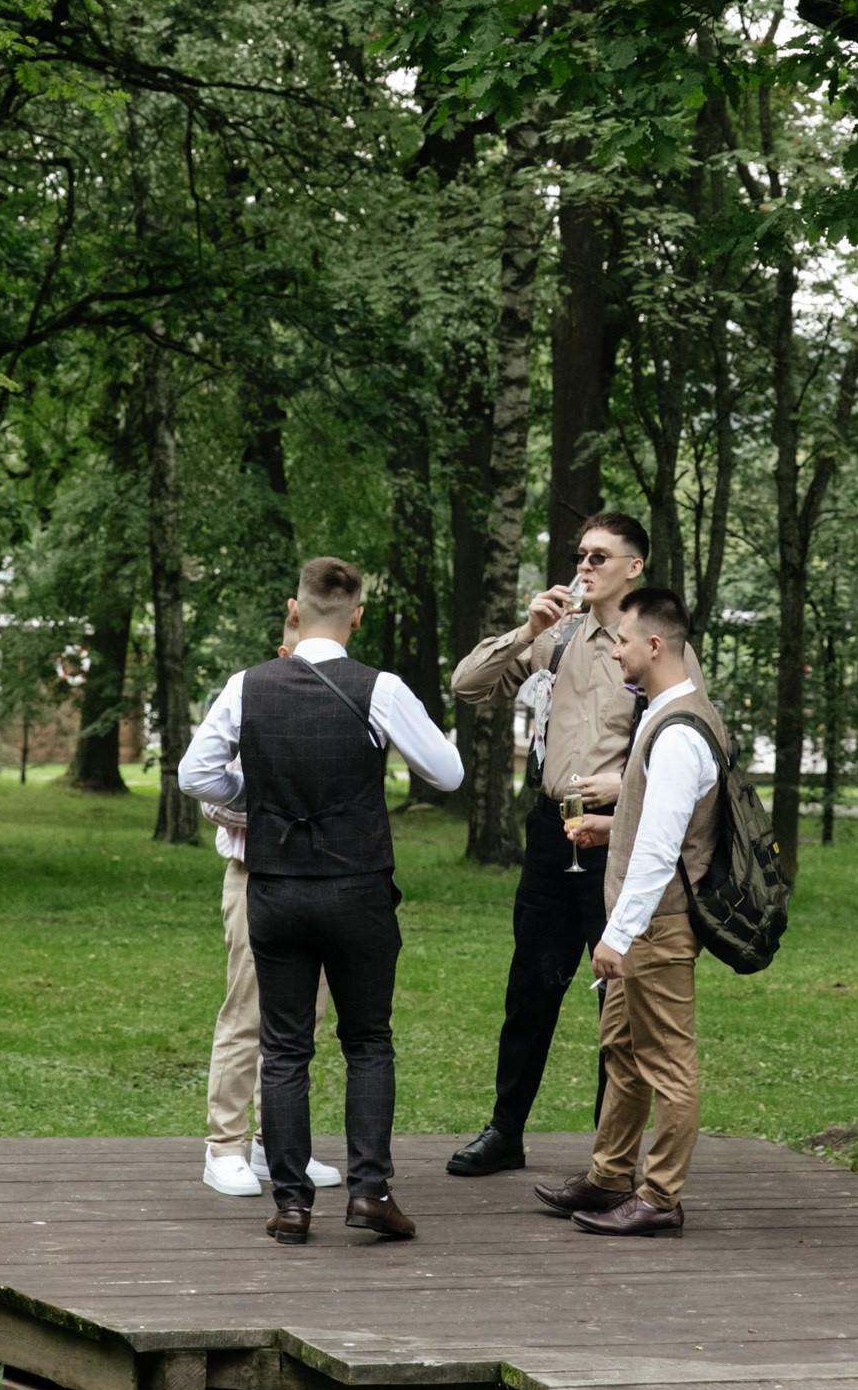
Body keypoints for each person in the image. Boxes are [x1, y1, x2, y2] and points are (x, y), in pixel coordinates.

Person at [178, 554, 463, 1243]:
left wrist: (256, 799)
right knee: (367, 1042)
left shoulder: (248, 685)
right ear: (356, 617)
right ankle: (370, 1193)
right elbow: (448, 774)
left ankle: (292, 1203)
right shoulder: (380, 688)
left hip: (274, 889)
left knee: (283, 1046)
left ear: (294, 610)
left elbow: (195, 774)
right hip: (357, 887)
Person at [444, 511, 650, 1177]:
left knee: (616, 997)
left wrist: (623, 785)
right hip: (549, 829)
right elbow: (467, 687)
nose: (584, 566)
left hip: (618, 839)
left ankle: (609, 1153)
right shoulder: (554, 637)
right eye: (580, 555)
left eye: (599, 557)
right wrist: (524, 632)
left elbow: (695, 736)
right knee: (530, 987)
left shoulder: (654, 640)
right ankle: (506, 1132)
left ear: (634, 567)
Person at [534, 583, 724, 1239]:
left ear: (653, 644)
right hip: (644, 920)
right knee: (621, 1047)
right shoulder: (664, 714)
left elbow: (663, 848)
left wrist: (617, 935)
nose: (612, 650)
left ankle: (662, 1196)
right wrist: (609, 825)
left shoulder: (677, 732)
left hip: (657, 923)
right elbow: (656, 822)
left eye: (620, 640)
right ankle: (610, 1176)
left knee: (667, 1058)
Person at [199, 607, 342, 1199]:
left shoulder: (334, 712)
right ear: (281, 659)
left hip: (317, 883)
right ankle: (223, 1147)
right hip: (255, 877)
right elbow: (210, 797)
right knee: (249, 1013)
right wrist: (283, 807)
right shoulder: (246, 706)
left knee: (304, 1020)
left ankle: (275, 1145)